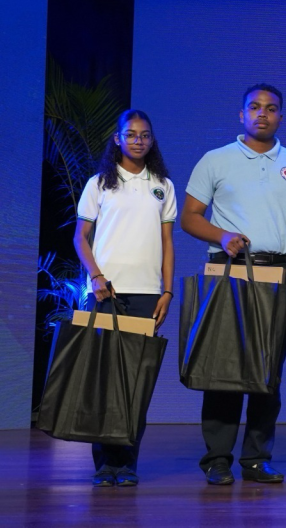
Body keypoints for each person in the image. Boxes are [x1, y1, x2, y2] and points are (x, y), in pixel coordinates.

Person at [181, 84, 286, 485]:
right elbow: (189, 216)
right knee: (224, 366)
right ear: (242, 115)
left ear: (281, 117)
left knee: (267, 371)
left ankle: (256, 458)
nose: (262, 114)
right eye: (254, 107)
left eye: (271, 108)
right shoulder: (215, 159)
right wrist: (221, 235)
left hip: (280, 273)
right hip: (231, 269)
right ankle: (217, 459)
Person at [73, 109, 176, 487]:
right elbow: (80, 237)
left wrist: (167, 290)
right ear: (117, 139)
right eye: (130, 134)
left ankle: (127, 464)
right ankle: (105, 465)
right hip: (104, 292)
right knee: (103, 380)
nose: (138, 140)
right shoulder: (99, 183)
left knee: (136, 382)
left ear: (152, 140)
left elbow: (167, 243)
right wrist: (96, 276)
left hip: (147, 294)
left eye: (144, 135)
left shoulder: (162, 185)